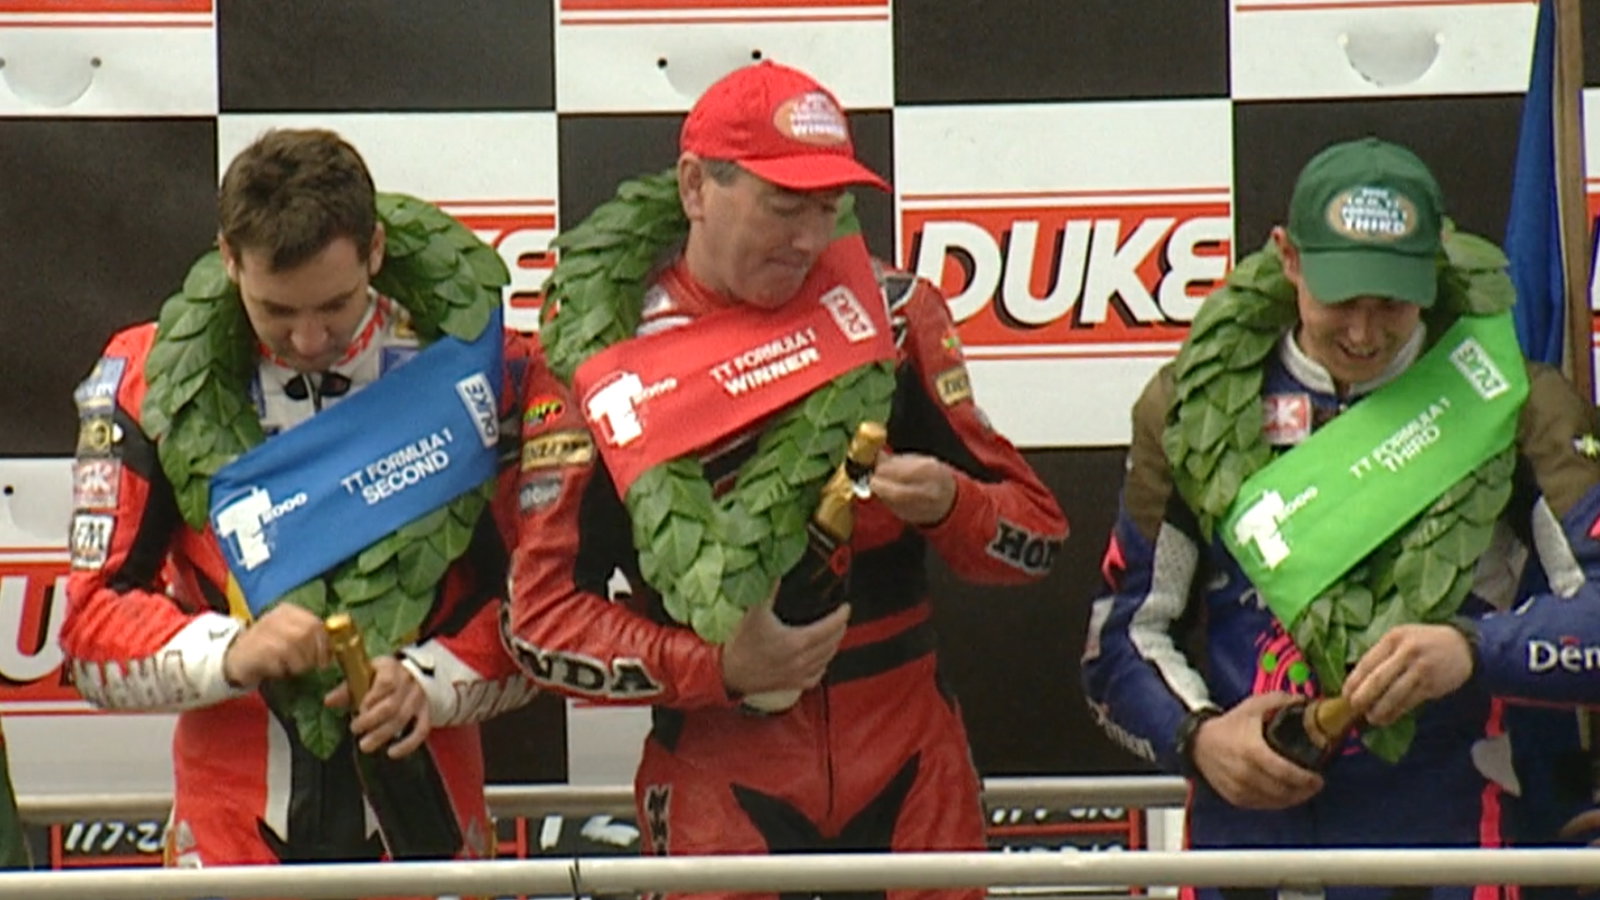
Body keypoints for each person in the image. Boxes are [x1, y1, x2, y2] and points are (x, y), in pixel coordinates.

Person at [503, 61, 1067, 898]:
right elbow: (541, 625)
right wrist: (715, 666)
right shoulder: (597, 356)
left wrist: (953, 504)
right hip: (724, 783)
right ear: (695, 186)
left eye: (825, 207)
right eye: (780, 204)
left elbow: (1037, 539)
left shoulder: (890, 312)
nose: (808, 238)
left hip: (914, 768)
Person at [1083, 136, 1600, 900]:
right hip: (1244, 854)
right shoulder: (1190, 407)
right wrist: (1199, 737)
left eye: (1390, 302)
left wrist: (1473, 648)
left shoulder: (1514, 403)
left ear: (1434, 269)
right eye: (1340, 300)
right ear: (1288, 259)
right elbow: (1121, 639)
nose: (1363, 333)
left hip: (1449, 850)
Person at [61, 128, 535, 869]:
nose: (309, 339)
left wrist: (430, 682)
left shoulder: (478, 368)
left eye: (336, 305)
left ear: (376, 249)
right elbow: (89, 633)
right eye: (276, 310)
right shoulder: (148, 379)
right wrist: (232, 652)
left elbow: (541, 612)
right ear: (227, 260)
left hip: (430, 829)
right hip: (230, 835)